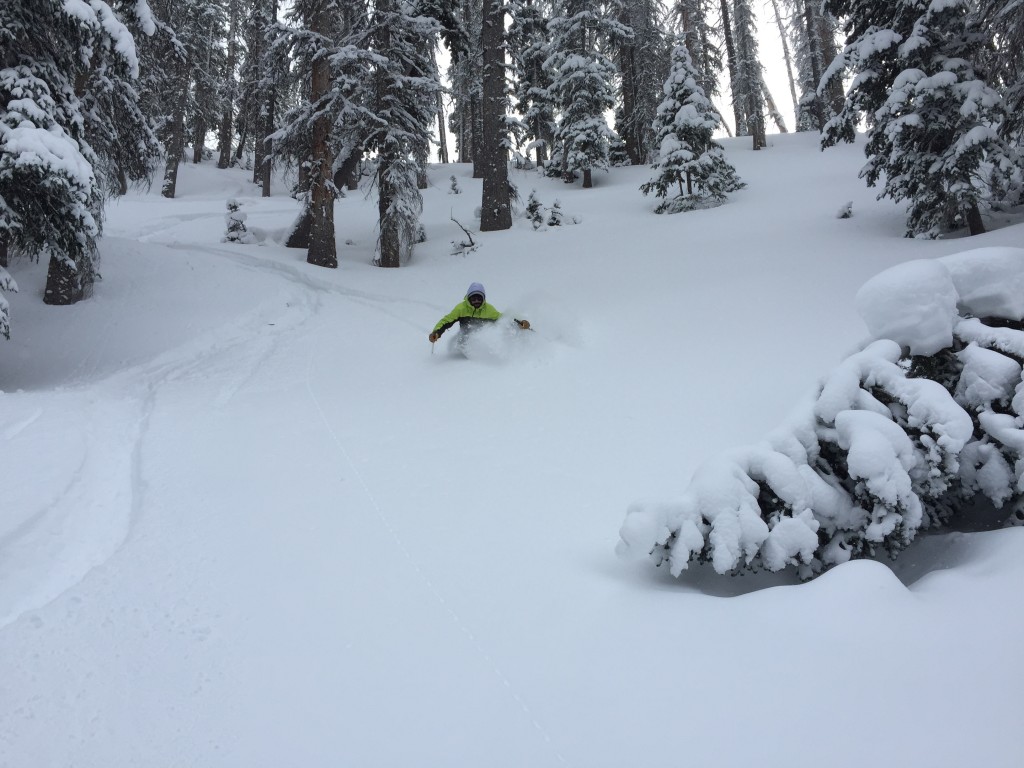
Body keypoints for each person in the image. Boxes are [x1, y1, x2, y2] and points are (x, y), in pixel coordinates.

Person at [428, 282, 530, 343]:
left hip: (482, 341)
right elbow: (446, 321)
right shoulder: (461, 309)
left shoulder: (488, 309)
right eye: (473, 298)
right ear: (469, 298)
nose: (476, 301)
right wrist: (436, 333)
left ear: (483, 299)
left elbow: (503, 319)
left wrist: (520, 323)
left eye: (479, 298)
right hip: (465, 340)